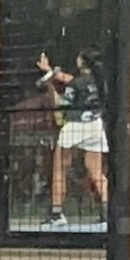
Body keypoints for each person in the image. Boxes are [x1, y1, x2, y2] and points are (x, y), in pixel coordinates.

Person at [41, 50, 109, 228]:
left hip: (75, 125)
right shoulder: (99, 80)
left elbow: (61, 103)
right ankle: (108, 212)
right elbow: (70, 80)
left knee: (59, 168)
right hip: (95, 124)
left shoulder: (76, 82)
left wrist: (50, 85)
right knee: (96, 171)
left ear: (81, 62)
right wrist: (50, 71)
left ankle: (57, 213)